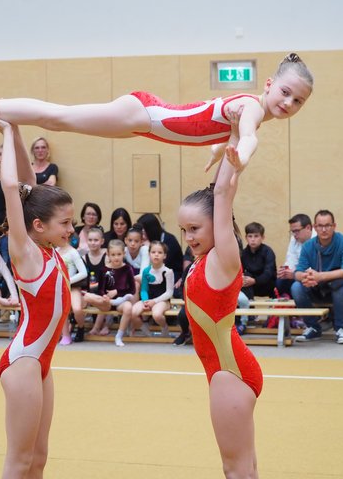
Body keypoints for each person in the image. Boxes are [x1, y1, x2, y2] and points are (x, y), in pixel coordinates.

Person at [0, 53, 313, 178]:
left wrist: (217, 153)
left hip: (143, 125)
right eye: (285, 92)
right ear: (268, 84)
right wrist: (239, 157)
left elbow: (213, 127)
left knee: (59, 119)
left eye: (298, 102)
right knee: (57, 118)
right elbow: (246, 138)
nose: (289, 104)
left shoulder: (252, 109)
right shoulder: (250, 109)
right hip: (144, 115)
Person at [0, 104, 74, 478]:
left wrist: (14, 129)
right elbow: (11, 187)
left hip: (42, 364)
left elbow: (27, 182)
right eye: (64, 223)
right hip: (24, 362)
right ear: (37, 225)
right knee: (19, 461)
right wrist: (3, 133)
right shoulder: (26, 252)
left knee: (38, 459)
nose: (71, 228)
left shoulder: (50, 251)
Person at [179, 148, 262, 477]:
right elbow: (219, 191)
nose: (188, 237)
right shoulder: (205, 259)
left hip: (230, 373)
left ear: (219, 224)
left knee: (235, 469)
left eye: (195, 229)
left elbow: (223, 193)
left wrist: (239, 142)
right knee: (245, 466)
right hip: (226, 370)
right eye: (184, 229)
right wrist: (230, 138)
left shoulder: (223, 259)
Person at [293, 210, 343, 345]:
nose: (324, 229)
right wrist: (306, 277)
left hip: (342, 289)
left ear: (334, 226)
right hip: (317, 289)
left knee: (341, 288)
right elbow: (297, 272)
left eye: (327, 225)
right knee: (296, 287)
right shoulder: (308, 246)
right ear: (315, 227)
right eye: (320, 226)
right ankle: (313, 327)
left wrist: (320, 276)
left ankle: (341, 329)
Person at [84, 239, 135, 346]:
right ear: (108, 254)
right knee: (88, 297)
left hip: (120, 301)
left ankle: (118, 336)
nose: (116, 257)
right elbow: (100, 289)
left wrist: (116, 291)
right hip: (107, 303)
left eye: (119, 254)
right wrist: (104, 296)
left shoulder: (127, 269)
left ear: (124, 254)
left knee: (128, 307)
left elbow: (132, 290)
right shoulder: (104, 270)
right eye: (113, 254)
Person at [131, 241, 174, 337]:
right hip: (148, 299)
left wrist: (154, 301)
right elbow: (144, 290)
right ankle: (146, 331)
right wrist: (145, 301)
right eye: (153, 252)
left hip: (163, 300)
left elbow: (169, 292)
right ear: (149, 254)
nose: (156, 255)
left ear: (164, 256)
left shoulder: (168, 272)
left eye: (160, 252)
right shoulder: (146, 271)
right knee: (132, 313)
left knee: (157, 314)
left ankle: (165, 328)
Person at [56, 235, 88, 345]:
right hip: (58, 287)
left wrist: (68, 280)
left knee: (77, 309)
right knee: (61, 309)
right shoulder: (55, 251)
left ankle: (81, 326)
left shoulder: (73, 252)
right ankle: (65, 334)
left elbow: (83, 273)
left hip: (73, 286)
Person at [136, 213, 184, 285]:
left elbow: (160, 263)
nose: (142, 236)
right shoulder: (145, 241)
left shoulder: (169, 240)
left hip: (171, 274)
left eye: (143, 232)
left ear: (150, 230)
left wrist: (150, 248)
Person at [276, 213, 316, 295]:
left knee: (296, 286)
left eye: (297, 231)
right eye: (292, 232)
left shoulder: (318, 239)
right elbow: (291, 259)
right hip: (298, 273)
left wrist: (295, 273)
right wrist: (285, 271)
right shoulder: (294, 239)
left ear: (308, 228)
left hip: (314, 275)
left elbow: (316, 266)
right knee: (279, 281)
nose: (294, 235)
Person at [240, 222, 277, 300]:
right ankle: (248, 309)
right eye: (250, 236)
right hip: (249, 285)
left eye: (256, 236)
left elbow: (269, 273)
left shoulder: (268, 251)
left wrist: (255, 280)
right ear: (246, 238)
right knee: (245, 277)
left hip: (267, 285)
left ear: (262, 237)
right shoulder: (243, 253)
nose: (253, 239)